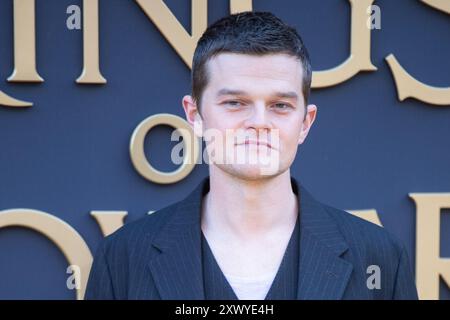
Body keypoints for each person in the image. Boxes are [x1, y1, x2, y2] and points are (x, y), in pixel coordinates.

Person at [85, 11, 418, 300]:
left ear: (305, 122)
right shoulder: (122, 259)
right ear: (195, 115)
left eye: (280, 106)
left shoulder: (380, 258)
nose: (259, 122)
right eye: (235, 103)